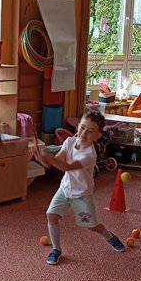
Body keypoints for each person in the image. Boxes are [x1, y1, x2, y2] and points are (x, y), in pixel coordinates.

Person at [34, 110, 125, 265]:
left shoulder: (89, 154)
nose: (83, 133)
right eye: (82, 128)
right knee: (51, 215)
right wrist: (42, 159)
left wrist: (47, 156)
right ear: (78, 126)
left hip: (82, 195)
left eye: (90, 131)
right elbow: (57, 161)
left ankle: (109, 236)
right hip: (65, 189)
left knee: (91, 226)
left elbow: (67, 166)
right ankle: (56, 249)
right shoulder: (69, 142)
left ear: (97, 135)